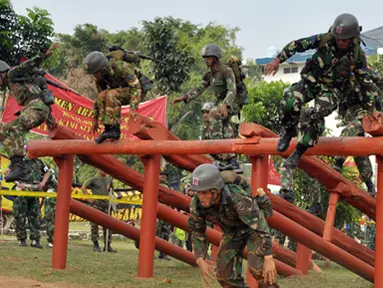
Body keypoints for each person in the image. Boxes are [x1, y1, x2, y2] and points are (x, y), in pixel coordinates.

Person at [188, 164, 278, 288]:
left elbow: (259, 225)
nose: (200, 196)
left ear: (216, 190)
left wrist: (268, 257)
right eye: (198, 192)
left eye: (204, 192)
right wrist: (200, 259)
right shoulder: (197, 204)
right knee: (223, 274)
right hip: (232, 231)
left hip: (252, 228)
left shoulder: (237, 197)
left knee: (260, 269)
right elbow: (197, 231)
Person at [173, 44, 240, 171]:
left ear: (215, 57)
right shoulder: (209, 75)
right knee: (225, 127)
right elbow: (199, 88)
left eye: (208, 58)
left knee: (214, 113)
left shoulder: (226, 71)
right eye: (204, 58)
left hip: (233, 102)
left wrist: (226, 104)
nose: (205, 60)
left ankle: (217, 149)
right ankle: (231, 160)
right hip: (220, 102)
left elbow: (232, 89)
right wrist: (185, 97)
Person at [0, 44, 59, 182]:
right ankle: (17, 162)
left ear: (2, 73)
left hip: (36, 108)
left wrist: (41, 55)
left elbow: (26, 65)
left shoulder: (11, 74)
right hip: (35, 109)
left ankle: (20, 164)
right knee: (3, 131)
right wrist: (51, 122)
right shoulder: (17, 82)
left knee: (14, 127)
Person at [84, 51, 142, 144]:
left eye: (96, 73)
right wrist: (95, 118)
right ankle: (108, 130)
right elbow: (101, 98)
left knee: (112, 94)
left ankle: (115, 131)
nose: (95, 76)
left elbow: (136, 87)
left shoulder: (120, 67)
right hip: (119, 93)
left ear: (102, 69)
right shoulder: (100, 79)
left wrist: (133, 109)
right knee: (102, 95)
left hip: (135, 91)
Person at [82, 170, 116, 252]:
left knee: (108, 225)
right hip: (97, 205)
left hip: (107, 206)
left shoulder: (109, 180)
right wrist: (89, 199)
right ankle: (96, 244)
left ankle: (107, 245)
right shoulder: (94, 179)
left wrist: (113, 204)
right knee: (94, 225)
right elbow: (83, 188)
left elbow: (111, 192)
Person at [156, 169, 172, 260]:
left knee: (165, 233)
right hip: (158, 211)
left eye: (164, 175)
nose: (163, 176)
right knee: (158, 233)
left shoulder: (167, 186)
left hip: (166, 211)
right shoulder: (155, 185)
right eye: (161, 174)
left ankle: (163, 253)